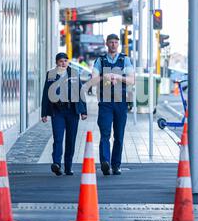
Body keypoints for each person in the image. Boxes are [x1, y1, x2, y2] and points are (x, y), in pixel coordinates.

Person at [91, 34, 135, 175]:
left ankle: (116, 165)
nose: (113, 45)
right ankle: (105, 162)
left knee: (119, 135)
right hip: (105, 103)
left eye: (116, 42)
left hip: (121, 102)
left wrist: (117, 77)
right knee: (105, 133)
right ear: (106, 44)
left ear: (118, 43)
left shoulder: (125, 59)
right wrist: (105, 76)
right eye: (111, 42)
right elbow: (93, 79)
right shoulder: (100, 60)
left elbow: (131, 80)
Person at [41, 53, 88, 176]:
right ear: (56, 62)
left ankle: (68, 167)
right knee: (58, 138)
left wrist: (84, 111)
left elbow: (80, 92)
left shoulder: (74, 73)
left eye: (65, 61)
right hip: (57, 111)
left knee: (70, 140)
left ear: (68, 62)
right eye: (61, 61)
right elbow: (46, 94)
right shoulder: (51, 74)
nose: (63, 63)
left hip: (72, 111)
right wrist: (44, 113)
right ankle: (56, 164)